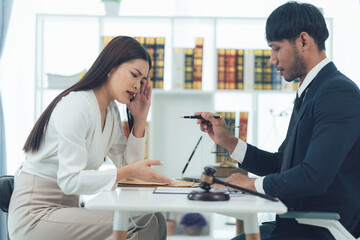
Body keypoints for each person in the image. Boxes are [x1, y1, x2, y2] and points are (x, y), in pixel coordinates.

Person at [196, 2, 360, 240]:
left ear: (303, 41)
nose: (272, 60)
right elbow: (282, 164)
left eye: (276, 48)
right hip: (299, 223)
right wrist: (230, 142)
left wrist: (251, 184)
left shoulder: (337, 93)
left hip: (321, 228)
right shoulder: (312, 91)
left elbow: (314, 177)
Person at [8, 36, 173, 240]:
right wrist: (128, 171)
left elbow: (129, 165)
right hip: (35, 214)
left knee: (155, 218)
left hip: (66, 211)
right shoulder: (76, 107)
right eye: (134, 75)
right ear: (111, 67)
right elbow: (70, 180)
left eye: (142, 80)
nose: (138, 86)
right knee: (141, 221)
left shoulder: (111, 112)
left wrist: (139, 119)